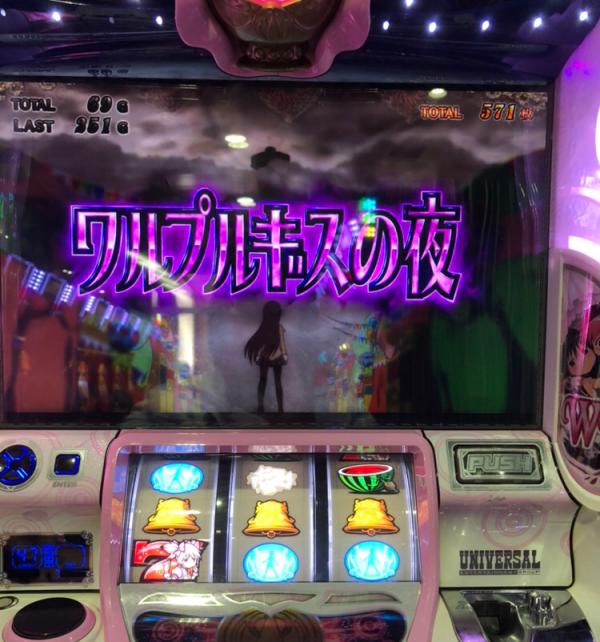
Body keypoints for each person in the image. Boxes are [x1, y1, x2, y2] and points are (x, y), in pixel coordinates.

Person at [244, 301, 288, 413]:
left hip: (270, 357)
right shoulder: (271, 327)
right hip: (271, 356)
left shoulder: (272, 327)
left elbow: (281, 342)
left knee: (266, 381)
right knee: (270, 381)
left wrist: (284, 354)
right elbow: (279, 343)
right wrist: (284, 354)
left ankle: (274, 408)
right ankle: (271, 408)